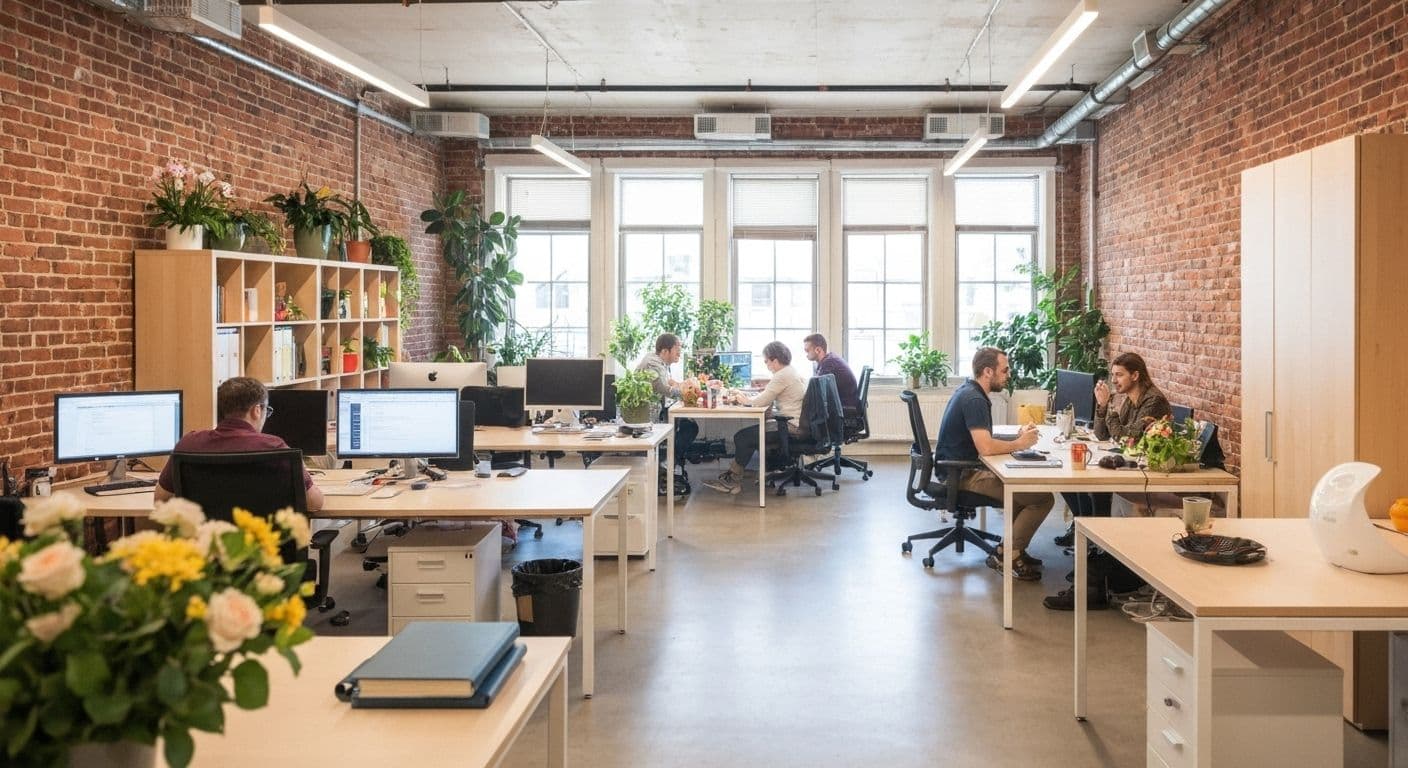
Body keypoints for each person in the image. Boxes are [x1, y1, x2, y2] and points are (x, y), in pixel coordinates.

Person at [1045, 352, 1170, 610]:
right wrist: (1102, 408)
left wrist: (1108, 408)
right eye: (1113, 375)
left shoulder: (1152, 401)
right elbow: (1103, 436)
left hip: (1145, 474)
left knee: (1096, 493)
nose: (1114, 381)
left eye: (1119, 375)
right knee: (1076, 487)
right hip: (1130, 467)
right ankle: (1092, 554)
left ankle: (1095, 560)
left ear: (1136, 375)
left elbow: (1126, 439)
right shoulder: (1129, 400)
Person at [934, 347, 1054, 581]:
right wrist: (1019, 443)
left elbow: (984, 439)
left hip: (960, 468)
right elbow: (986, 448)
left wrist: (1016, 437)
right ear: (988, 371)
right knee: (1041, 498)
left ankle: (1012, 550)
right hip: (962, 475)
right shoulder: (975, 399)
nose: (1008, 374)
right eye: (1004, 370)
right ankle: (1006, 555)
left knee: (1023, 491)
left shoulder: (970, 391)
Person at [155, 377, 324, 512]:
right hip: (265, 549)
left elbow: (160, 500)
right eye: (267, 410)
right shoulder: (275, 448)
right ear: (257, 410)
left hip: (205, 547)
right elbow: (314, 503)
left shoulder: (189, 444)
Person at [702, 341, 806, 495]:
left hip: (790, 425)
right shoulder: (790, 371)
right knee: (749, 435)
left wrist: (741, 397)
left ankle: (733, 481)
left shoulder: (782, 376)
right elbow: (767, 397)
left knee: (743, 437)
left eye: (766, 362)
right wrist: (750, 396)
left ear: (775, 360)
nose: (766, 365)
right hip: (793, 421)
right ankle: (740, 472)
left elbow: (758, 403)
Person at [636, 333, 699, 475]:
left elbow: (668, 382)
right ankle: (668, 464)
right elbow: (662, 388)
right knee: (689, 427)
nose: (680, 352)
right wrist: (688, 394)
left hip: (656, 412)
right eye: (677, 349)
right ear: (665, 351)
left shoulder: (658, 362)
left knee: (688, 424)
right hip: (647, 417)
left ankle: (669, 463)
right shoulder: (653, 364)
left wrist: (684, 385)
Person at [802, 333, 859, 411]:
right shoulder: (829, 359)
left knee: (808, 406)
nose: (806, 354)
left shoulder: (829, 363)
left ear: (818, 350)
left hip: (845, 405)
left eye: (807, 351)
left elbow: (817, 390)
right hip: (846, 401)